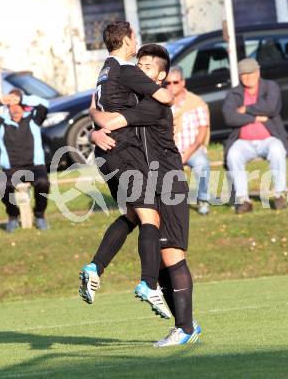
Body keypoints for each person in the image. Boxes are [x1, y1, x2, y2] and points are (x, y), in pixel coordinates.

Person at [90, 43, 201, 347]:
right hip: (149, 182)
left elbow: (108, 119)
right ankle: (184, 325)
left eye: (148, 66)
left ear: (162, 75)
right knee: (161, 255)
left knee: (172, 255)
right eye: (139, 64)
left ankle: (187, 329)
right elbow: (101, 114)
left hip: (169, 183)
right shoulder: (134, 99)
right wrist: (94, 131)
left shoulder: (154, 105)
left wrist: (94, 128)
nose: (140, 69)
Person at [79, 21, 173, 320]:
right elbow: (166, 97)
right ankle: (148, 283)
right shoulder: (127, 70)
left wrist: (99, 127)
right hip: (125, 153)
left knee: (133, 214)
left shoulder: (105, 70)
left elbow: (96, 108)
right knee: (151, 217)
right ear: (127, 40)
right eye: (135, 38)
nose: (137, 44)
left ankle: (95, 267)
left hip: (106, 154)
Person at [223, 58, 288, 214]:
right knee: (233, 154)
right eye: (244, 74)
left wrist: (245, 109)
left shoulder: (270, 87)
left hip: (269, 138)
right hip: (243, 141)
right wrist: (255, 118)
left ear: (258, 72)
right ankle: (244, 200)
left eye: (251, 73)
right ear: (240, 76)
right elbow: (229, 117)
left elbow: (271, 108)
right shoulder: (234, 93)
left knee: (277, 149)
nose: (247, 77)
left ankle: (280, 194)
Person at [0, 90, 50, 232]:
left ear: (24, 106)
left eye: (18, 104)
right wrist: (0, 101)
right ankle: (13, 215)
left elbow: (44, 104)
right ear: (7, 107)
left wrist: (21, 98)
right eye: (11, 105)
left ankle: (39, 215)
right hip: (11, 169)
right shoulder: (2, 121)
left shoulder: (33, 119)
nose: (15, 108)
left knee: (43, 183)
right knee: (2, 185)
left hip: (35, 167)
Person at [166, 66, 211, 215]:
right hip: (170, 150)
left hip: (193, 149)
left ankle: (203, 199)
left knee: (202, 164)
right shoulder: (163, 104)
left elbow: (202, 132)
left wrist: (187, 153)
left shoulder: (196, 102)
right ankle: (167, 204)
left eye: (175, 82)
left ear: (183, 82)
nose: (171, 86)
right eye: (168, 83)